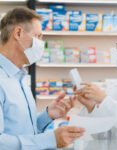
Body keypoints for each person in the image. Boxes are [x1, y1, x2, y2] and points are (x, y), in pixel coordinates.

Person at [0, 7, 85, 150]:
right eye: (38, 36)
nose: (41, 43)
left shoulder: (19, 77)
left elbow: (24, 132)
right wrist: (51, 139)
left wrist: (47, 115)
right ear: (18, 33)